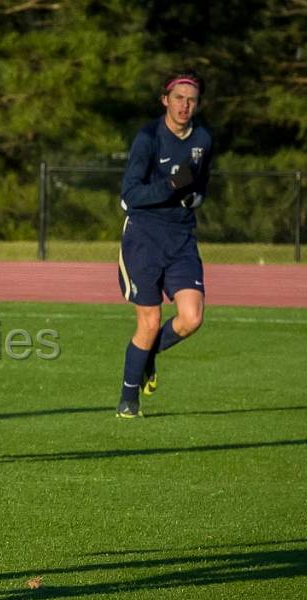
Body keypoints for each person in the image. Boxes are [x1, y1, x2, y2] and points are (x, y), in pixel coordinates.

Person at [116, 70, 214, 418]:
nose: (185, 105)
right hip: (144, 238)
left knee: (191, 317)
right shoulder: (148, 137)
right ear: (165, 101)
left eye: (192, 99)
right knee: (148, 321)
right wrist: (172, 185)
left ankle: (147, 356)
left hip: (182, 238)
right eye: (178, 98)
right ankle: (128, 400)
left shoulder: (203, 137)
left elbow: (201, 183)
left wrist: (196, 197)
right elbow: (130, 196)